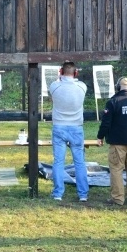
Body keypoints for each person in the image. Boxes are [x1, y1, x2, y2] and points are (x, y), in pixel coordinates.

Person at [96, 77, 127, 206]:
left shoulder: (113, 102)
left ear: (118, 87)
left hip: (117, 142)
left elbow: (106, 122)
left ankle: (117, 198)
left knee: (116, 169)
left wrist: (100, 136)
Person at [48, 61, 89, 202]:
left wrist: (59, 77)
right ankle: (83, 194)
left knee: (58, 161)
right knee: (80, 162)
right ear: (76, 73)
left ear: (60, 72)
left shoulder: (54, 86)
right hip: (76, 127)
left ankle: (58, 193)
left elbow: (54, 85)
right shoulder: (82, 86)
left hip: (59, 126)